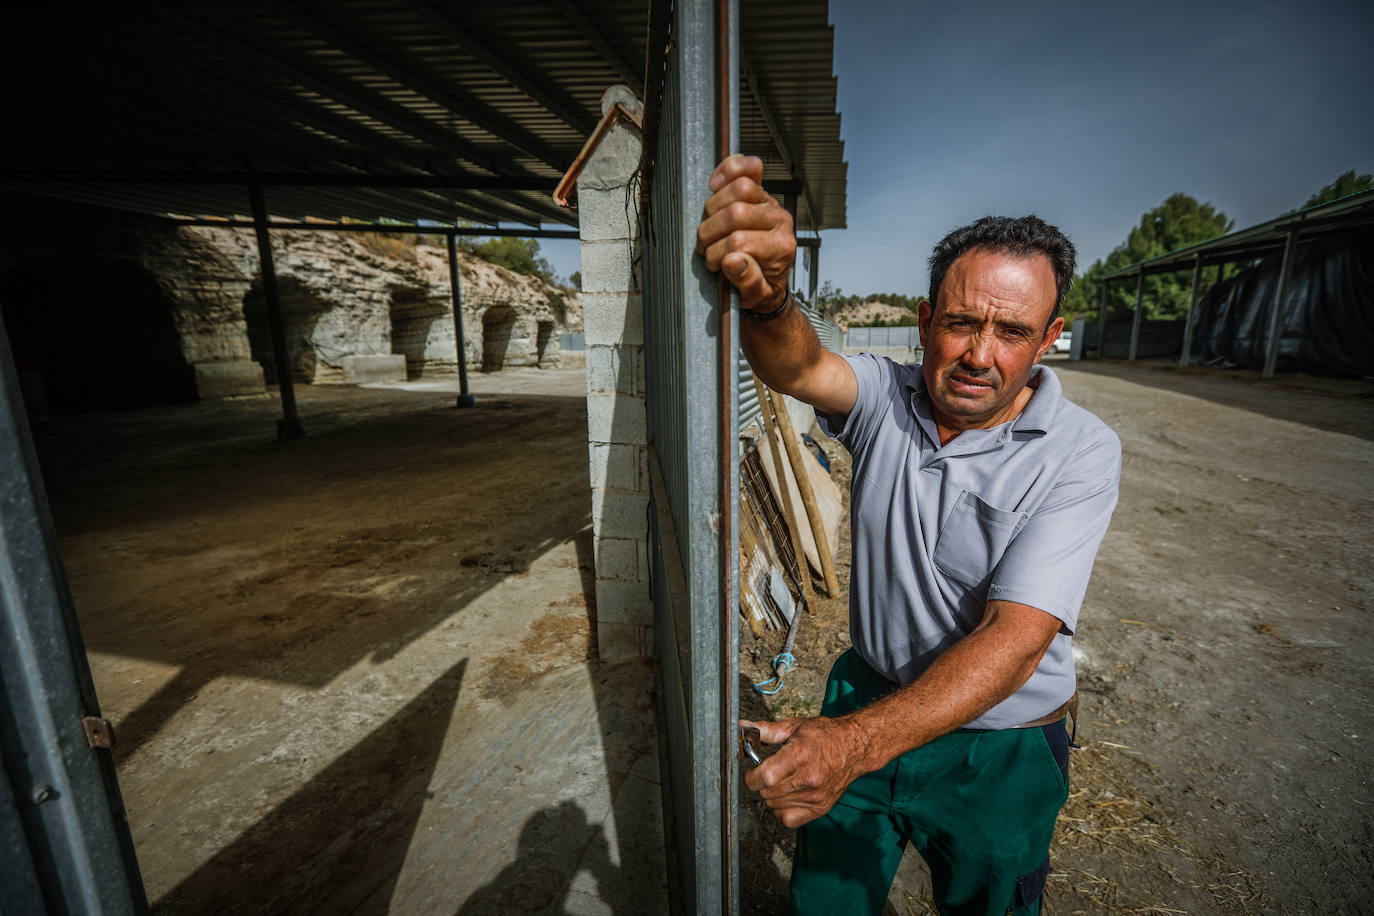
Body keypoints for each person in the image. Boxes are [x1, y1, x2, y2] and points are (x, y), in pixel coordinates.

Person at [696, 154, 1121, 915]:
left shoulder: (1080, 448)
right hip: (868, 689)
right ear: (926, 321)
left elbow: (1017, 638)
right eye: (960, 322)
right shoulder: (885, 398)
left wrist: (851, 745)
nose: (980, 355)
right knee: (827, 897)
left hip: (1002, 744)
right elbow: (799, 365)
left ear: (1050, 337)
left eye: (1013, 332)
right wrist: (769, 303)